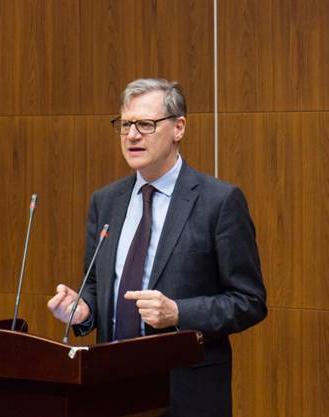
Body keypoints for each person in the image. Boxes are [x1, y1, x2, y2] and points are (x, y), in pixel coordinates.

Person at [48, 78, 267, 417]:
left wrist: (179, 312)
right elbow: (95, 283)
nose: (132, 135)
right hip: (110, 390)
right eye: (125, 125)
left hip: (185, 394)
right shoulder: (105, 202)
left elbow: (249, 301)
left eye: (146, 124)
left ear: (178, 128)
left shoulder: (219, 202)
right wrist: (83, 311)